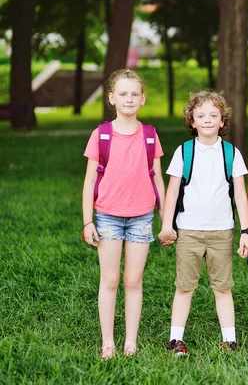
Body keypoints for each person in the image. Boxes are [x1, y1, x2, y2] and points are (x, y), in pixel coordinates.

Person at [158, 91, 248, 355]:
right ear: (192, 121)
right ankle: (175, 340)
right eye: (201, 115)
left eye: (214, 115)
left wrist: (247, 231)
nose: (208, 120)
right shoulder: (184, 152)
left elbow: (241, 194)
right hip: (188, 230)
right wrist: (168, 225)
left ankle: (230, 340)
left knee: (223, 287)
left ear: (223, 121)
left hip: (221, 231)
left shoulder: (231, 153)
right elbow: (173, 191)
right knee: (184, 286)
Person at [82, 69, 166, 359]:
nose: (128, 99)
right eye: (122, 94)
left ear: (142, 99)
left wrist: (166, 220)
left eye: (134, 94)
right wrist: (87, 220)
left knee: (133, 280)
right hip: (107, 216)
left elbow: (157, 179)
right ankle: (108, 342)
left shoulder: (150, 135)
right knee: (110, 280)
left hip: (142, 216)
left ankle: (130, 341)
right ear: (111, 98)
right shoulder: (101, 134)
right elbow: (90, 181)